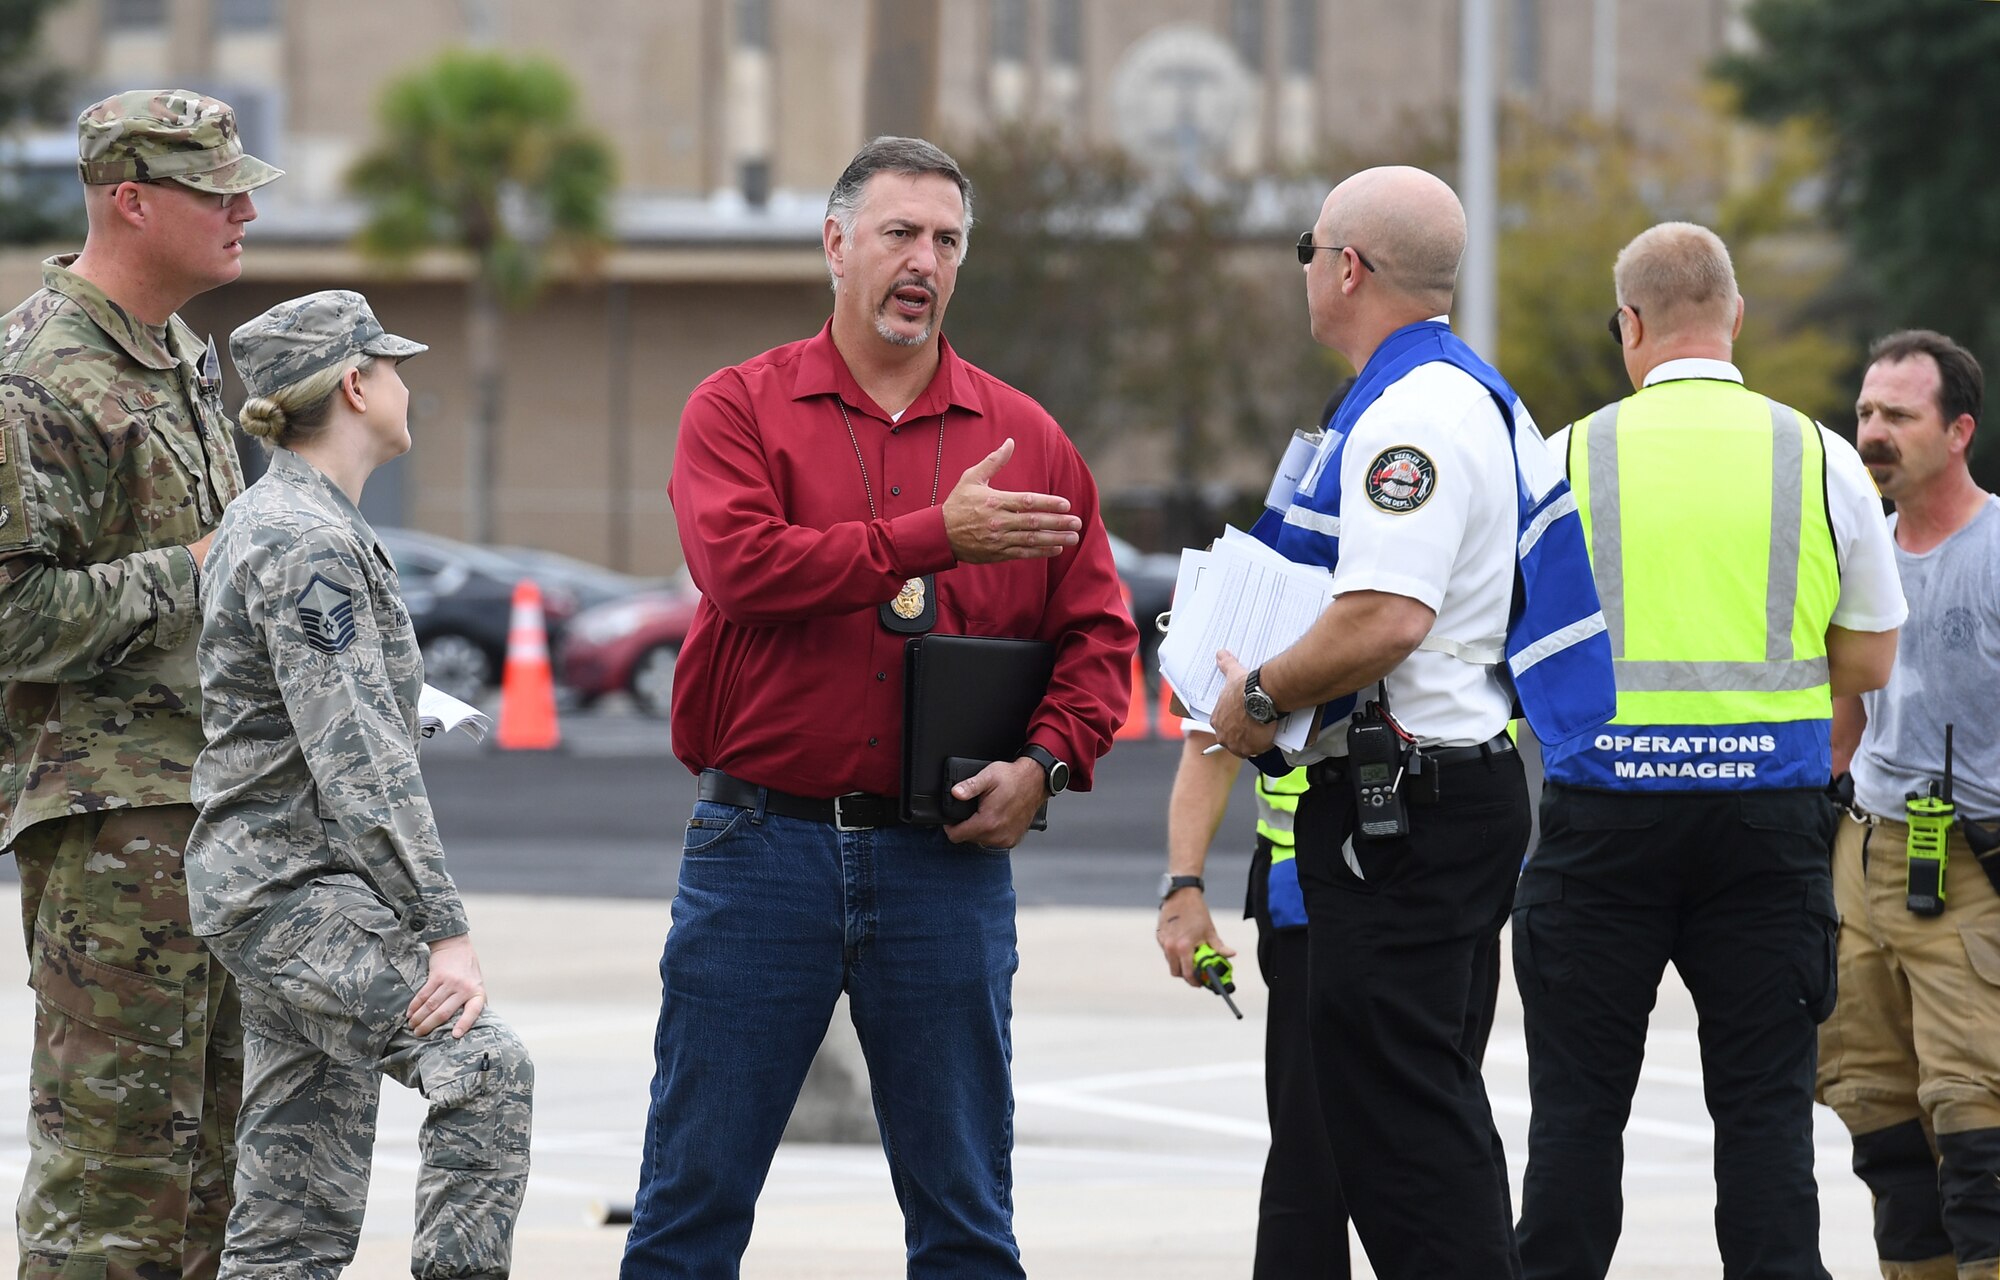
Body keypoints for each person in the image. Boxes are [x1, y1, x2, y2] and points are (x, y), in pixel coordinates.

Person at [620, 136, 1136, 1279]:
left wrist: (1043, 766)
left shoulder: (1026, 439)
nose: (924, 260)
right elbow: (743, 567)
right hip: (760, 848)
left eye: (946, 240)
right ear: (835, 242)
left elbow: (1098, 636)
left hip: (942, 866)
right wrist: (929, 537)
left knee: (964, 1215)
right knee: (689, 1202)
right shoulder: (738, 407)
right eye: (899, 232)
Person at [1208, 166, 1613, 1280]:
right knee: (1421, 1108)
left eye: (1308, 247)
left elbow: (1385, 614)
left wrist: (1255, 699)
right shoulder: (1470, 395)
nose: (1306, 269)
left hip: (1403, 810)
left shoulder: (1413, 414)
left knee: (1396, 1134)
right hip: (1439, 796)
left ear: (1345, 266)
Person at [1511, 223, 1906, 1280]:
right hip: (1767, 832)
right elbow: (1868, 658)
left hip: (1601, 829)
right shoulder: (1816, 453)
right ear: (1734, 318)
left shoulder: (1561, 457)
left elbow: (1508, 642)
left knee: (1576, 1116)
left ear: (1627, 327)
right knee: (1764, 1115)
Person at [187, 290, 533, 1279]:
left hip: (280, 883)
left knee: (293, 1219)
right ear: (354, 382)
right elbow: (357, 757)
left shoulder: (289, 520)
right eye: (393, 364)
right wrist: (441, 928)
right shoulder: (306, 538)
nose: (404, 382)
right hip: (292, 886)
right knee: (483, 1063)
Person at [0, 89, 280, 1279]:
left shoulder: (176, 358)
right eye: (219, 191)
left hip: (217, 815)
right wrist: (199, 568)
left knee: (209, 1182)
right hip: (115, 832)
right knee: (112, 1191)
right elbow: (12, 615)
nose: (246, 212)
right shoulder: (37, 374)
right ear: (132, 198)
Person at [1154, 382, 1353, 1280]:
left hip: (1432, 892)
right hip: (1309, 902)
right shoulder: (1288, 554)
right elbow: (1209, 732)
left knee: (1416, 1157)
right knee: (1314, 1163)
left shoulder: (1441, 542)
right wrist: (1182, 886)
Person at [1819, 330, 2000, 1280]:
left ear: (1959, 429)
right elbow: (1843, 719)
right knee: (1879, 1119)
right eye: (1865, 414)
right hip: (1866, 856)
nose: (1873, 433)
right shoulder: (1859, 545)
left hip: (1975, 866)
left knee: (1977, 1125)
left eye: (1898, 416)